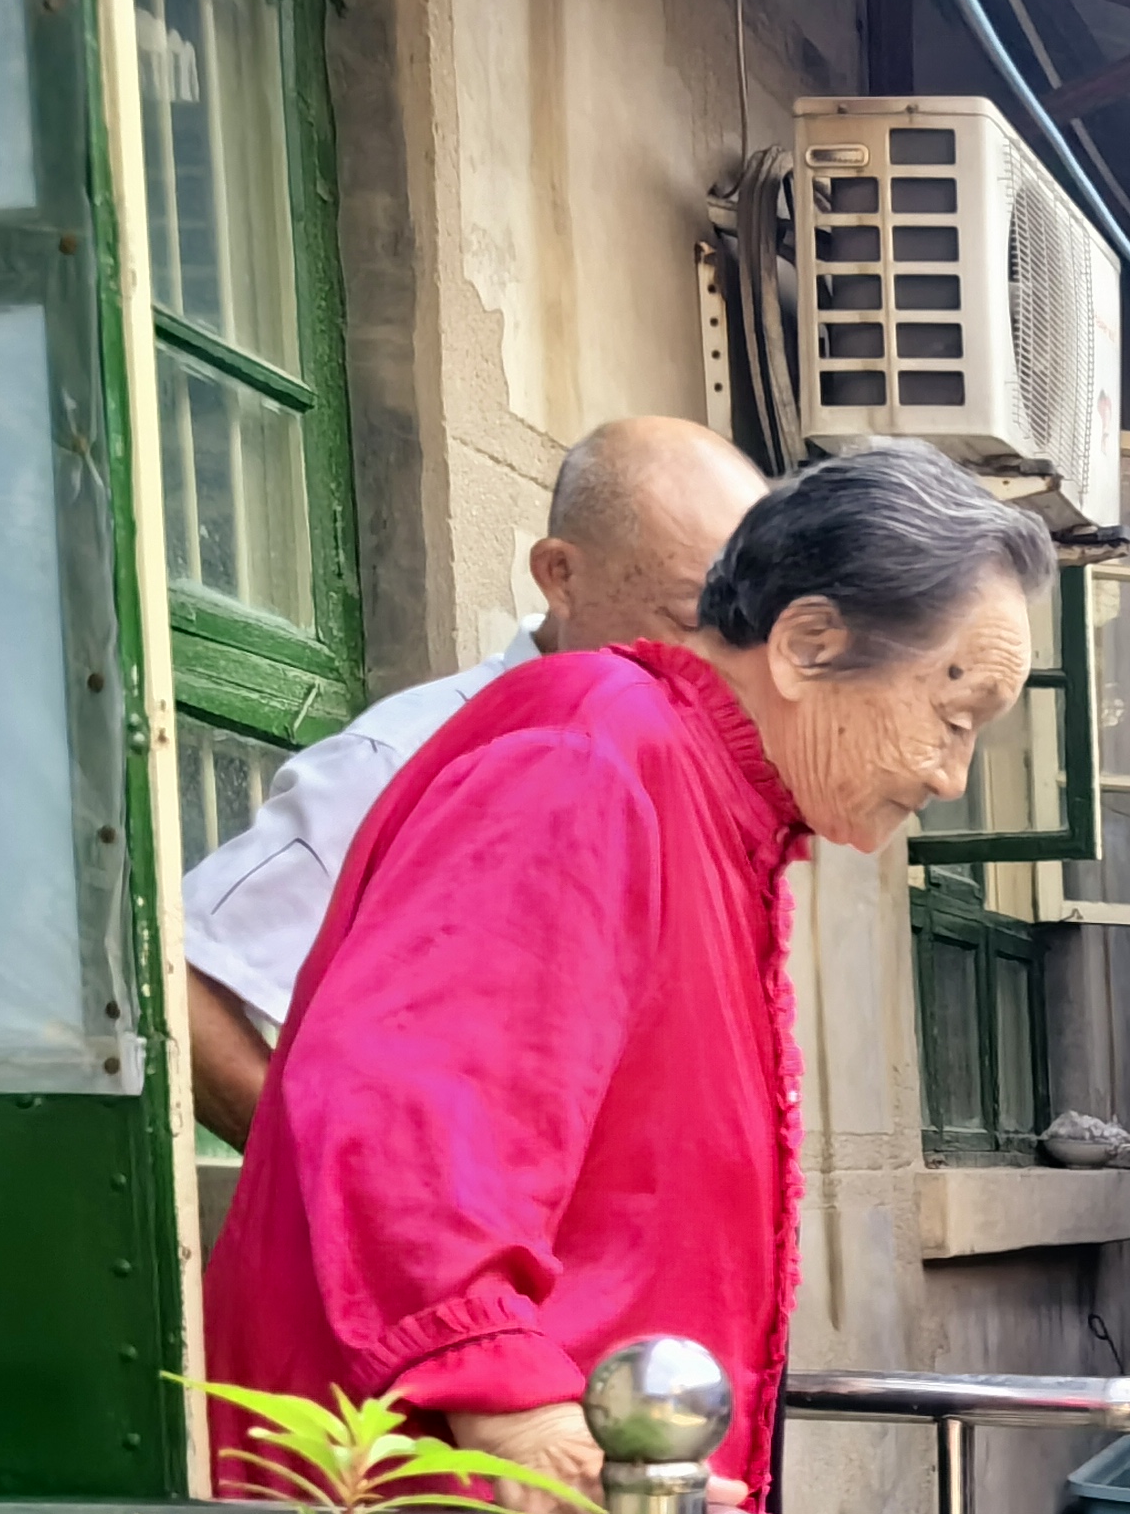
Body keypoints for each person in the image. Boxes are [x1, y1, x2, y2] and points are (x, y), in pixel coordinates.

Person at [203, 440, 1050, 1514]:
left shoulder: (703, 790)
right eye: (953, 712)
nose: (951, 775)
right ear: (809, 642)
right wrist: (514, 1407)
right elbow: (401, 1104)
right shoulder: (591, 751)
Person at [178, 416, 769, 1144]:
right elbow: (184, 980)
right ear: (561, 575)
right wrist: (334, 1188)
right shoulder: (408, 760)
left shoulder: (690, 778)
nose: (721, 667)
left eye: (745, 632)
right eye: (687, 616)